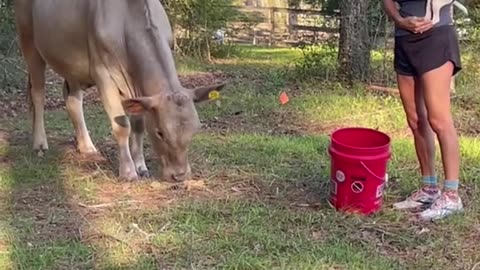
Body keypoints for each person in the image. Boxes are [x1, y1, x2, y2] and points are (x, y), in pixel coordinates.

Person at [382, 0, 464, 221]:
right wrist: (399, 20)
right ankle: (429, 189)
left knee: (439, 120)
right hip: (404, 39)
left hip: (435, 37)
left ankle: (451, 195)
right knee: (416, 119)